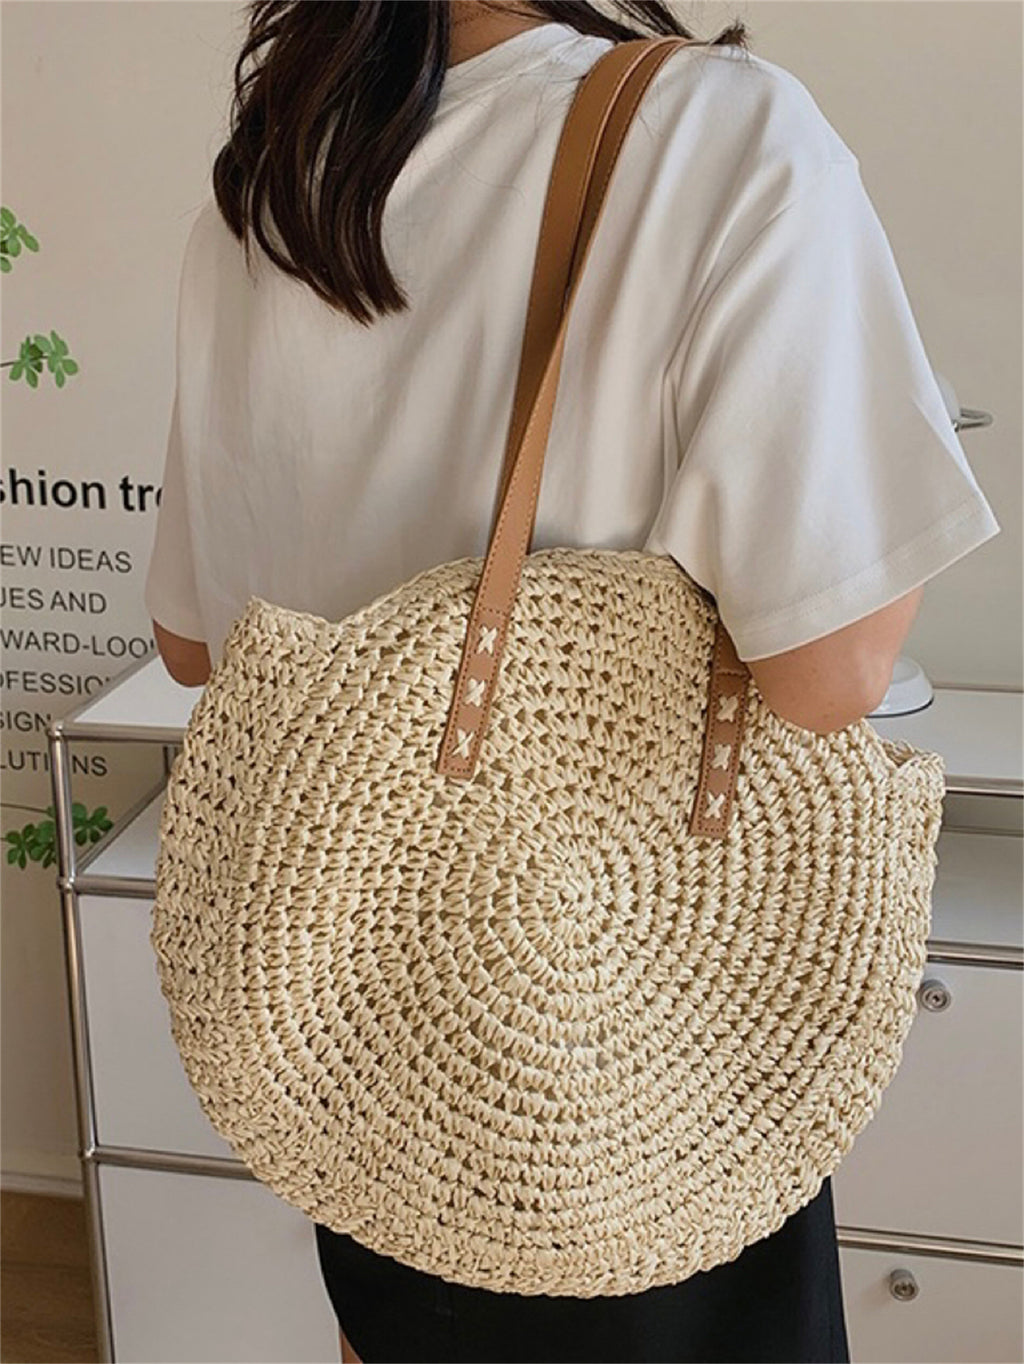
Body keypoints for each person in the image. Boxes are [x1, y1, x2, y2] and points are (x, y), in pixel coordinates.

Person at [143, 2, 1001, 1361]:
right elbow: (832, 671)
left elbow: (196, 647)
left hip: (369, 1037)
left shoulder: (273, 188)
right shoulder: (715, 132)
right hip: (636, 1049)